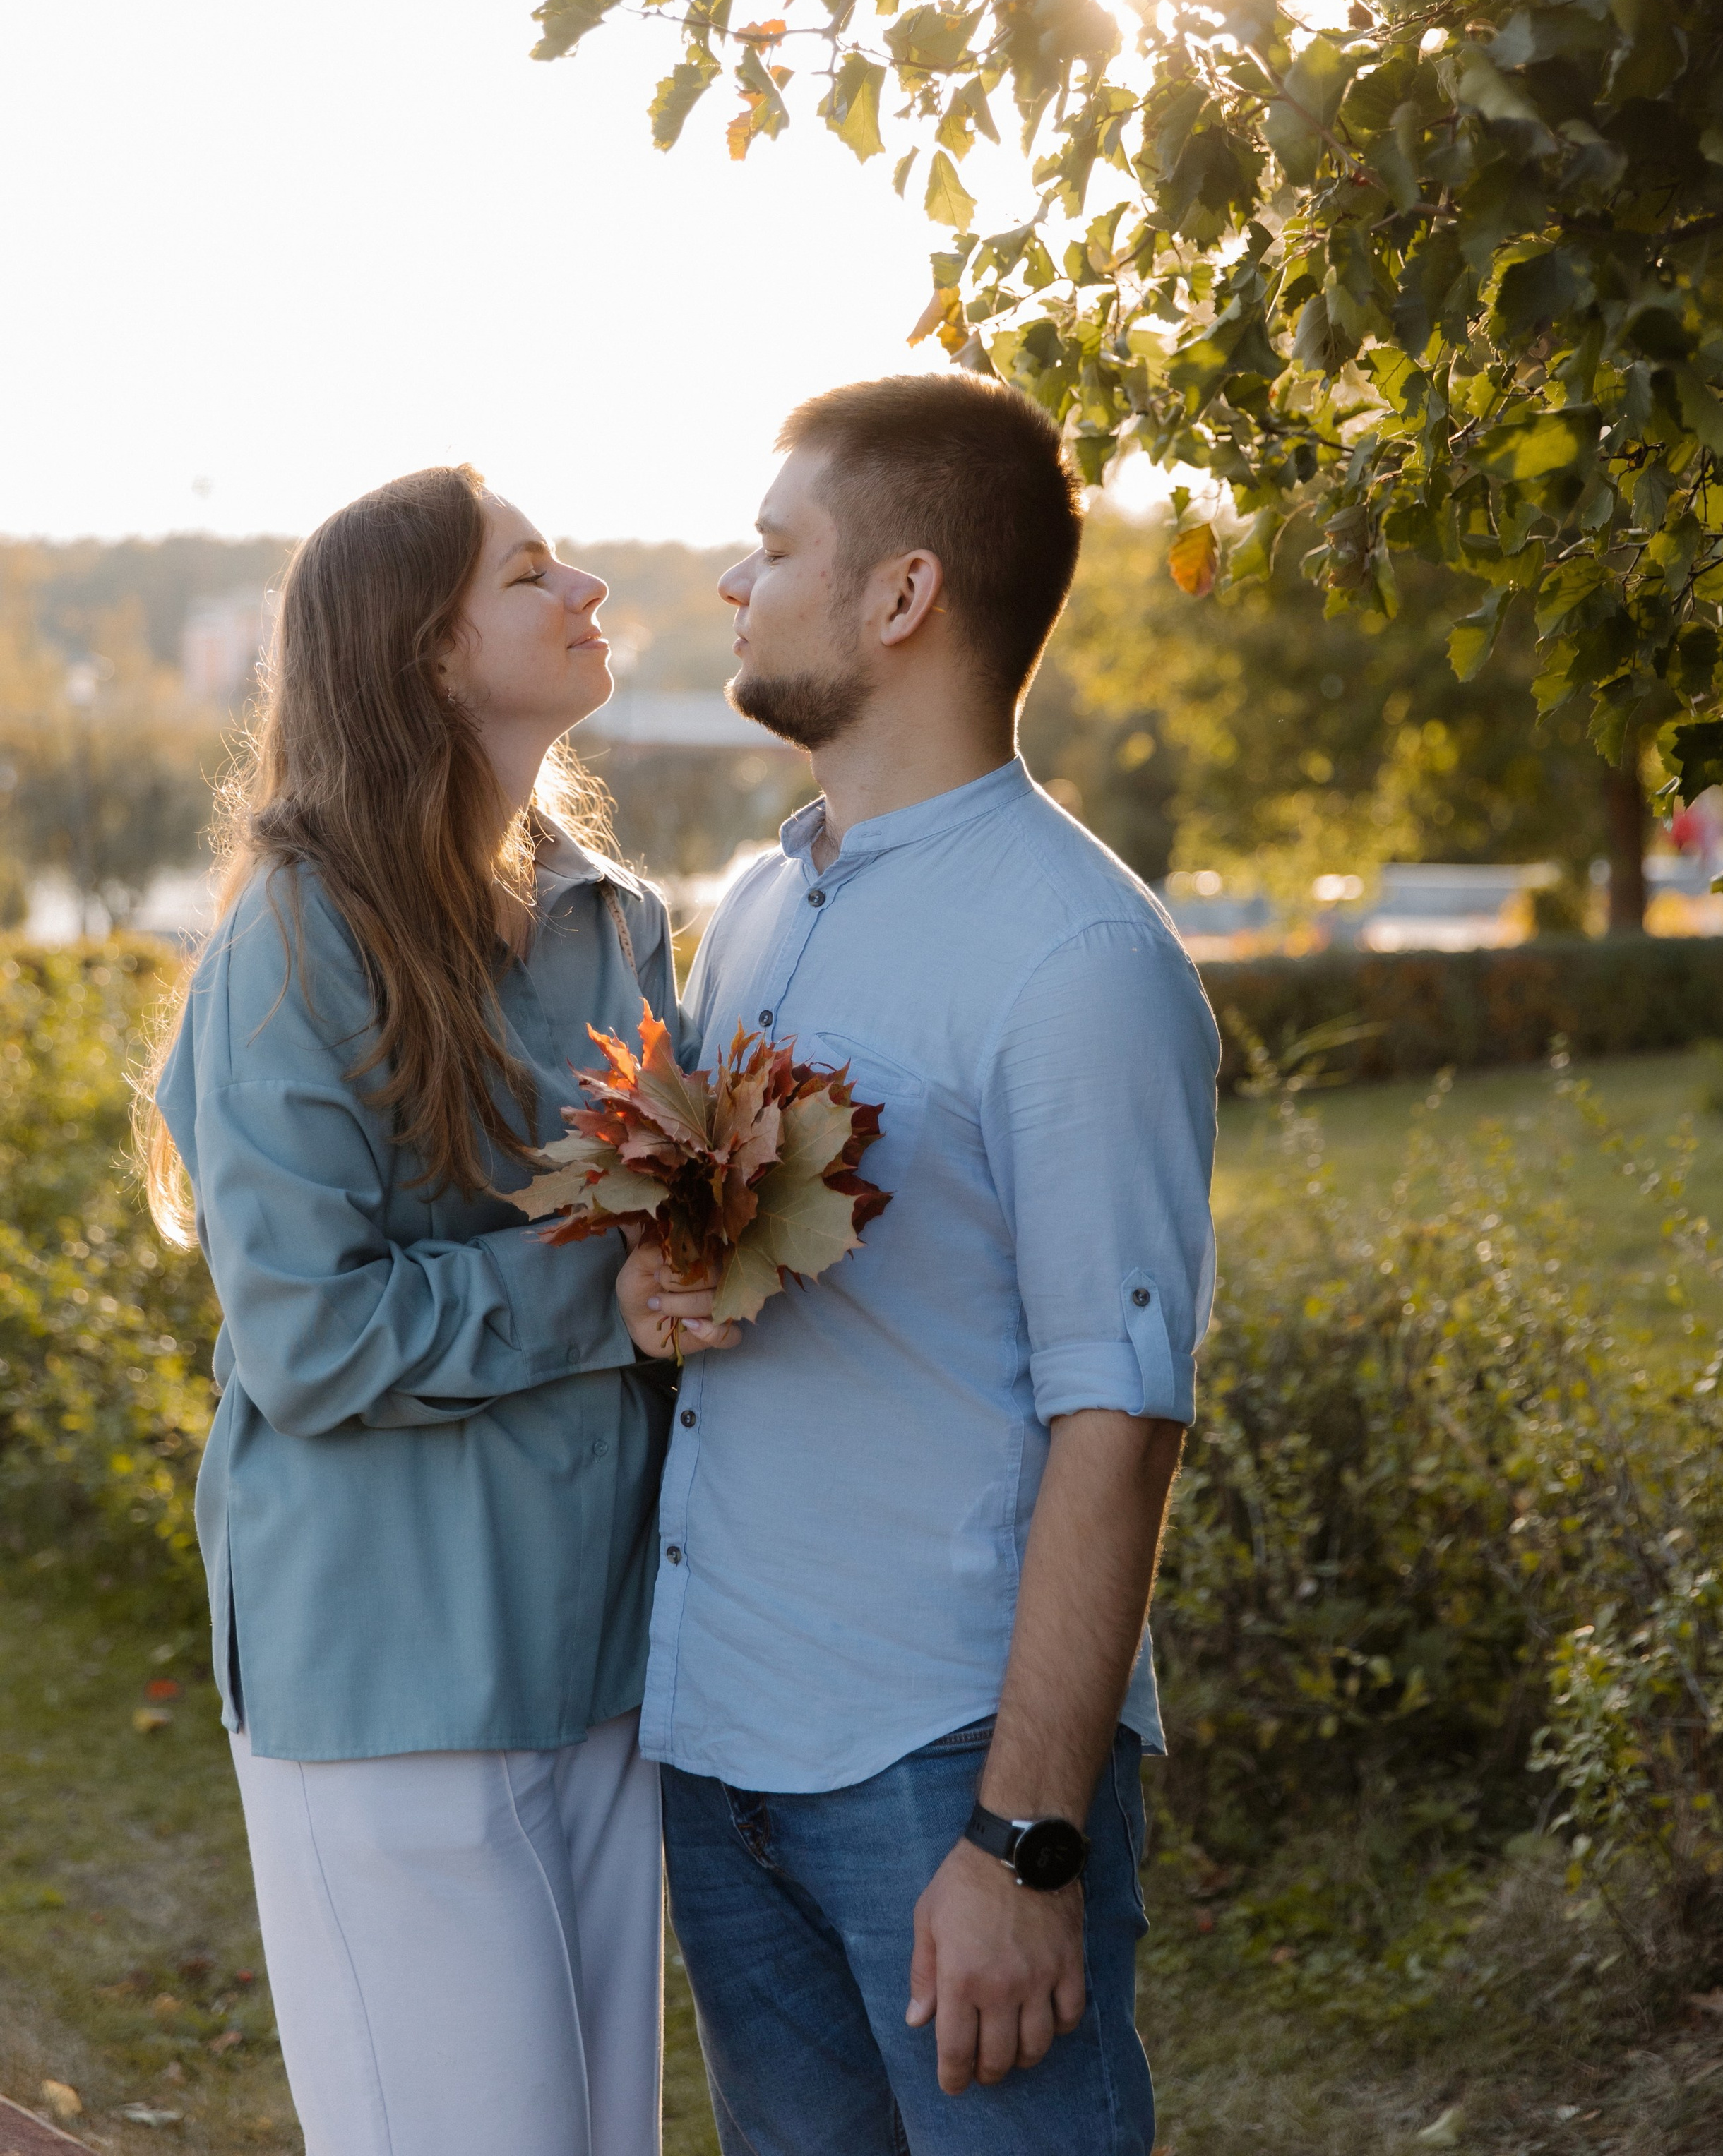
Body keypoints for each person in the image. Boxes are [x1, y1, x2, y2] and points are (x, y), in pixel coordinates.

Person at [632, 373, 1219, 2155]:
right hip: (722, 1749)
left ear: (900, 598)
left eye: (772, 546)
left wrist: (1019, 1840)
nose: (735, 584)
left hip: (932, 1771)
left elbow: (1119, 1422)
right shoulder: (757, 900)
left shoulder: (1076, 959)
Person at [142, 465, 728, 2156]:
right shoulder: (299, 941)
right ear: (425, 654)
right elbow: (307, 1338)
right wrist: (603, 1293)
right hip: (390, 1679)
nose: (588, 586)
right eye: (532, 571)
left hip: (605, 1661)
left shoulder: (615, 921)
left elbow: (652, 1251)